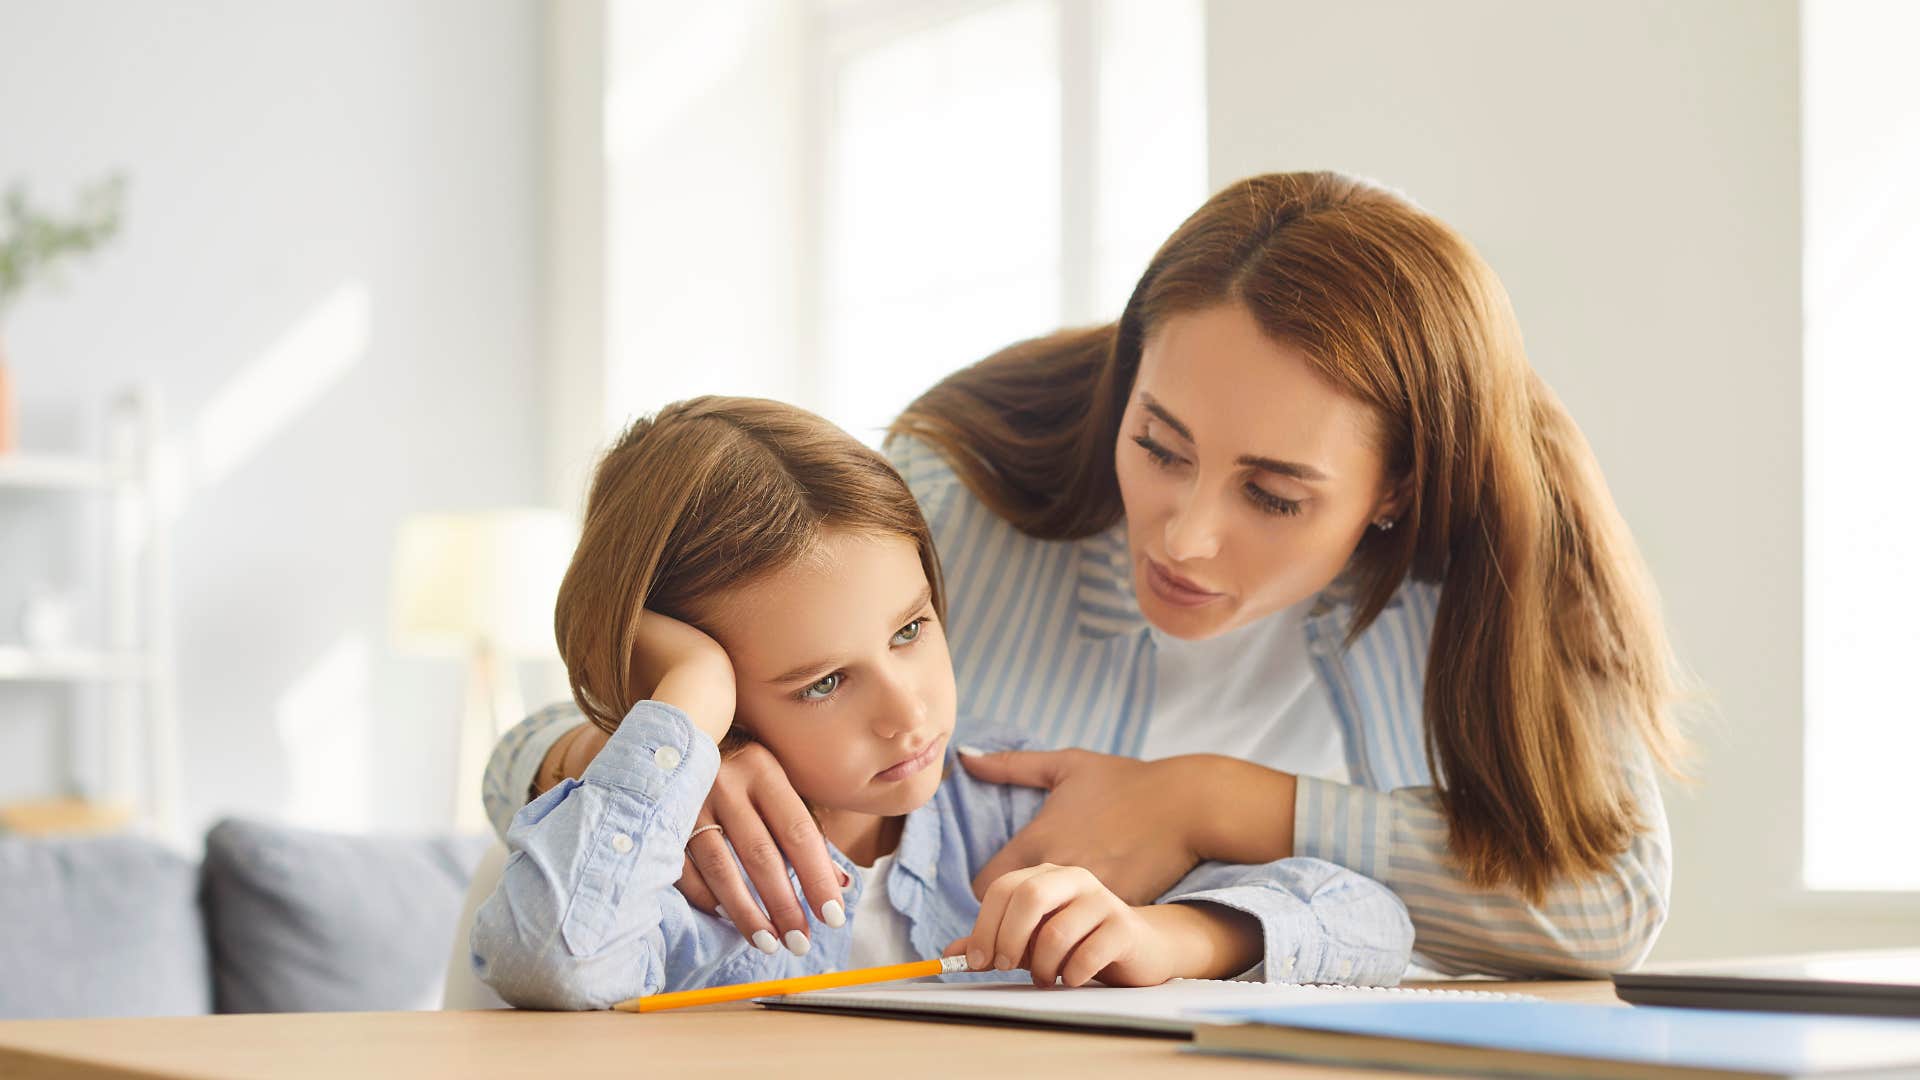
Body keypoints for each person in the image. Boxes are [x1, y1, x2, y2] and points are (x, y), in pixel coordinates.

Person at [474, 171, 1684, 981]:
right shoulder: (963, 500)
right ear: (1128, 374)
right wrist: (684, 752)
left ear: (1398, 494)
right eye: (1157, 443)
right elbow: (532, 744)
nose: (1183, 535)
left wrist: (1209, 805)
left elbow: (1607, 906)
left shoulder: (1488, 564)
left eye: (1273, 495)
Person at [471, 397, 1412, 1010]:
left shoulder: (999, 808)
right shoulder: (659, 869)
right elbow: (554, 960)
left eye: (911, 631)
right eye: (825, 683)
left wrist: (1174, 934)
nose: (907, 713)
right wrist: (685, 699)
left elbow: (1369, 920)